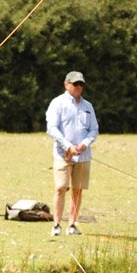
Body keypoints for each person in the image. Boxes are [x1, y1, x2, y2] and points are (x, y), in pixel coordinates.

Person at [45, 69, 97, 237]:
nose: (79, 87)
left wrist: (85, 143)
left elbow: (94, 129)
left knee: (77, 190)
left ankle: (72, 224)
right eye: (75, 84)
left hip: (83, 156)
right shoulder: (57, 103)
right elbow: (52, 128)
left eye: (81, 84)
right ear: (66, 84)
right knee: (60, 188)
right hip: (63, 154)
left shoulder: (88, 106)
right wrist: (68, 146)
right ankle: (57, 224)